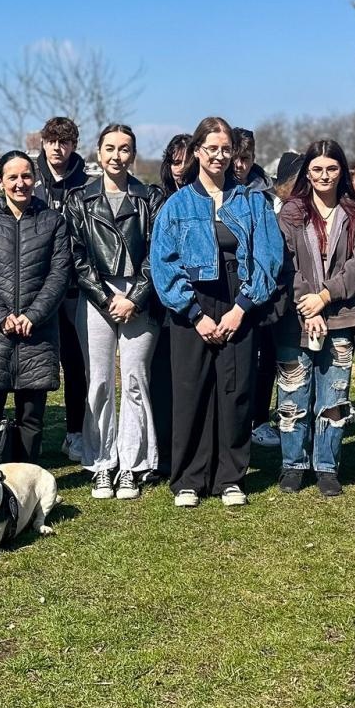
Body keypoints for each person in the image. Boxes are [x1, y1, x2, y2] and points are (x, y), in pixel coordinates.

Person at [151, 116, 284, 508]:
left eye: (226, 149)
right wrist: (194, 313)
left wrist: (242, 308)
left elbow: (269, 257)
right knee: (191, 390)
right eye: (212, 149)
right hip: (192, 307)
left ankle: (230, 477)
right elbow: (163, 263)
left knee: (236, 391)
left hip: (238, 304)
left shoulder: (252, 201)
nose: (220, 156)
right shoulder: (177, 205)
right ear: (197, 152)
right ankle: (189, 478)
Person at [271, 140, 355, 497]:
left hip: (341, 315)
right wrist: (307, 302)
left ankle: (327, 466)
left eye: (331, 169)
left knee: (334, 397)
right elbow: (284, 263)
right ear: (307, 173)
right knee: (293, 395)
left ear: (341, 171)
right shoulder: (291, 212)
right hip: (294, 318)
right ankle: (293, 464)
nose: (324, 176)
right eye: (316, 169)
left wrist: (325, 296)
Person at [65, 124, 163, 499]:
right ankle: (101, 462)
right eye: (110, 148)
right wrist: (106, 299)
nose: (116, 156)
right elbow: (77, 255)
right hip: (96, 296)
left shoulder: (149, 197)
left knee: (136, 380)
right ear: (98, 152)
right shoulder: (80, 199)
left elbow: (158, 252)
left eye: (124, 149)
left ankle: (133, 464)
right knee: (100, 382)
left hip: (139, 295)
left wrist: (135, 297)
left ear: (133, 155)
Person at [0, 151, 72, 463]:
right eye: (12, 177)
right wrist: (1, 316)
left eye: (26, 176)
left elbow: (59, 273)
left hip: (37, 333)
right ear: (0, 181)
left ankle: (25, 482)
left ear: (35, 179)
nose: (20, 183)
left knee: (31, 418)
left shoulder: (52, 221)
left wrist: (33, 315)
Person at [33, 116, 89, 460]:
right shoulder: (28, 177)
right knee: (36, 365)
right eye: (52, 141)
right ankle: (31, 433)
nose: (58, 147)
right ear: (43, 142)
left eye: (65, 141)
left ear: (73, 146)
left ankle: (75, 432)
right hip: (36, 290)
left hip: (73, 289)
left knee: (76, 364)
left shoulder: (86, 183)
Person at [231, 127, 280, 447]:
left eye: (245, 159)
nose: (238, 165)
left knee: (265, 360)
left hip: (261, 289)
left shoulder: (267, 195)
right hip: (228, 287)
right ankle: (234, 419)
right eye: (234, 158)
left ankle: (260, 419)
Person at [151, 132, 195, 477]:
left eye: (186, 161)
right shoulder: (158, 200)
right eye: (174, 161)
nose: (180, 168)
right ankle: (164, 454)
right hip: (160, 308)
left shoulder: (208, 200)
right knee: (163, 385)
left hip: (199, 306)